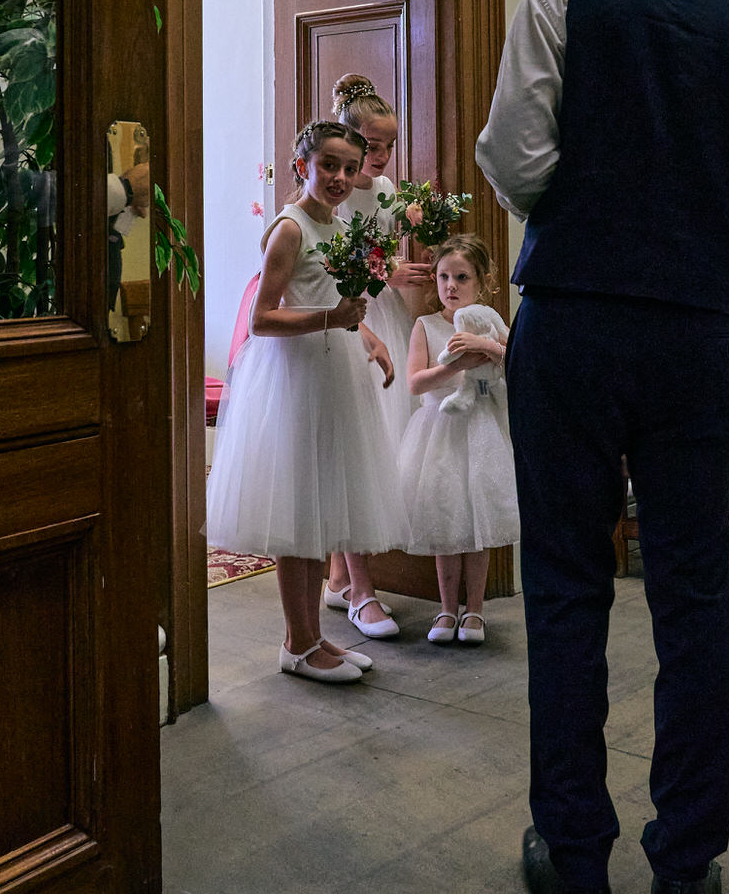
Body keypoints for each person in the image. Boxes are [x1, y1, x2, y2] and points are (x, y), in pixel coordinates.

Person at [477, 0, 729, 894]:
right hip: (695, 329)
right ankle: (686, 863)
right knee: (694, 589)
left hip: (573, 318)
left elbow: (512, 155)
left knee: (567, 585)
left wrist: (602, 201)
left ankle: (574, 858)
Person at [204, 121, 406, 684]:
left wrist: (369, 339)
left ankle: (315, 637)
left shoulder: (338, 226)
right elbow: (260, 318)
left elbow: (340, 304)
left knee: (318, 512)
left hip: (334, 374)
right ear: (303, 167)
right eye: (328, 166)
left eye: (348, 167)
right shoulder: (290, 230)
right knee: (299, 512)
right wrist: (332, 321)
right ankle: (296, 644)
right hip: (294, 381)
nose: (340, 177)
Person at [322, 75, 434, 641]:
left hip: (386, 315)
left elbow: (393, 251)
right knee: (357, 448)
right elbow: (329, 265)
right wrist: (381, 270)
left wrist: (415, 240)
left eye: (390, 145)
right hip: (350, 317)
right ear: (350, 139)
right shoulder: (335, 192)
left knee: (388, 445)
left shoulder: (388, 188)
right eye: (374, 145)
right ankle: (362, 590)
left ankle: (341, 577)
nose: (383, 156)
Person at [402, 234, 519, 644]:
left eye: (462, 277)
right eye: (443, 277)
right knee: (446, 520)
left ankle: (476, 611)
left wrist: (486, 347)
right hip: (441, 433)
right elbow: (415, 383)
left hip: (483, 428)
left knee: (478, 521)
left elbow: (517, 360)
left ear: (482, 281)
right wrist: (457, 366)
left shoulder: (491, 322)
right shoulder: (426, 326)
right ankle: (447, 609)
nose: (450, 286)